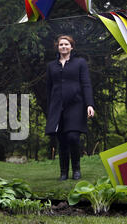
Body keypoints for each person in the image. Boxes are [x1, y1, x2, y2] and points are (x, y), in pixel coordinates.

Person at [45, 35, 94, 181]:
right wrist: (50, 110)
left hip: (76, 106)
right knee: (62, 140)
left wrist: (89, 104)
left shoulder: (80, 63)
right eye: (61, 45)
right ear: (58, 47)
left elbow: (86, 84)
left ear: (71, 47)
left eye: (66, 44)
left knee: (73, 137)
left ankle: (76, 170)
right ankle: (63, 172)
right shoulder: (51, 66)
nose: (64, 47)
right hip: (57, 107)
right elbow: (49, 88)